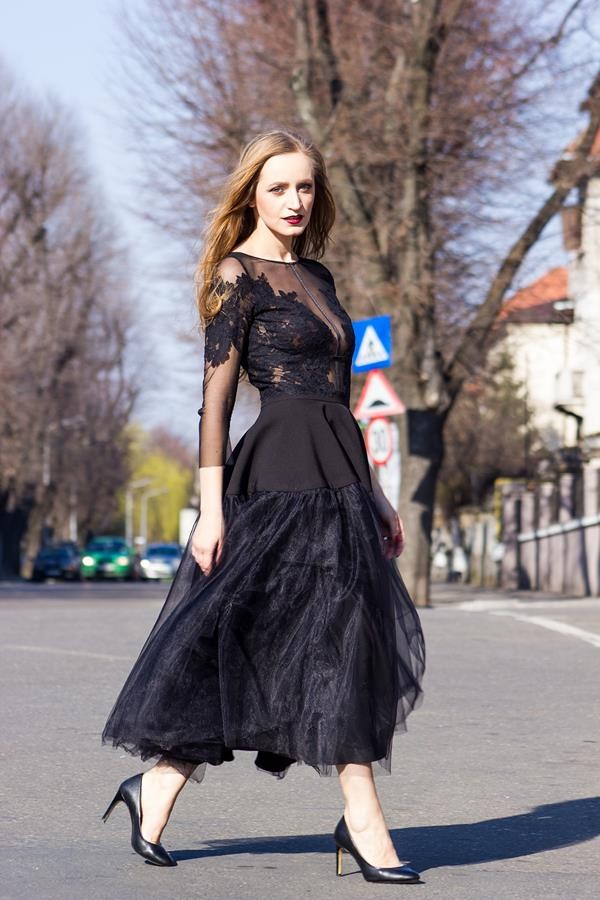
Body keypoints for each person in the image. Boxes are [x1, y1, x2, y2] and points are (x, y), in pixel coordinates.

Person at [101, 129, 426, 885]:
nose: (294, 200)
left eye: (306, 187)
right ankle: (167, 781)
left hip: (340, 479)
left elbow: (342, 399)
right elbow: (214, 403)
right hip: (275, 478)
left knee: (343, 644)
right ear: (252, 192)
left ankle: (344, 815)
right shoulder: (234, 276)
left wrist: (377, 494)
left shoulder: (319, 275)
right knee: (240, 638)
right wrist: (210, 511)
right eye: (279, 187)